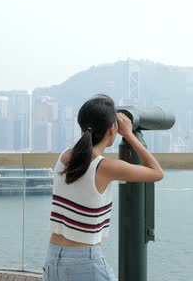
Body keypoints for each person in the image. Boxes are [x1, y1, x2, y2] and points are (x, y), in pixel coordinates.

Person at [43, 94, 164, 281]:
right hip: (85, 262)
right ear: (112, 129)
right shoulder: (105, 167)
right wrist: (130, 135)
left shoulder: (65, 157)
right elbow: (157, 172)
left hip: (53, 259)